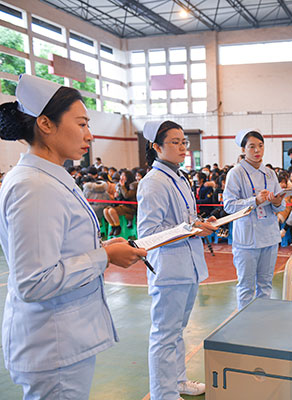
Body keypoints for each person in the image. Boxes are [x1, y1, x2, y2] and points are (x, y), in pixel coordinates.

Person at [0, 74, 145, 399]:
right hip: (52, 347)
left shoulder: (48, 178)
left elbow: (59, 251)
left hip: (61, 342)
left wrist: (103, 248)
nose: (89, 135)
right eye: (81, 124)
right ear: (46, 124)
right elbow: (34, 281)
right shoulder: (34, 187)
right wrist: (104, 257)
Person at [137, 120, 217, 399]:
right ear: (156, 147)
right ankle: (163, 394)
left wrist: (199, 223)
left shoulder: (179, 176)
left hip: (187, 265)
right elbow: (149, 234)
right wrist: (192, 229)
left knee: (177, 331)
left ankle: (178, 381)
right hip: (168, 270)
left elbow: (182, 221)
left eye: (184, 141)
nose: (183, 147)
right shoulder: (154, 182)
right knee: (164, 334)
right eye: (175, 142)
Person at [224, 129, 286, 309]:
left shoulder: (270, 173)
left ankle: (262, 321)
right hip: (247, 240)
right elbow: (229, 206)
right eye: (252, 147)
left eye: (260, 146)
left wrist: (276, 202)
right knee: (246, 287)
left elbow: (280, 207)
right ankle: (245, 329)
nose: (257, 150)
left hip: (269, 235)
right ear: (243, 149)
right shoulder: (236, 173)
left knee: (266, 285)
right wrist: (255, 201)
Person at [103, 170, 138, 235]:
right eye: (121, 175)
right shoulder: (119, 185)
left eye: (124, 175)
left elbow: (127, 196)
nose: (122, 177)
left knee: (111, 211)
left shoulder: (133, 185)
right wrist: (116, 195)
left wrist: (122, 186)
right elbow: (119, 199)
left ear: (128, 177)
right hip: (121, 205)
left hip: (130, 207)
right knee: (105, 210)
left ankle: (118, 227)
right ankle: (113, 226)